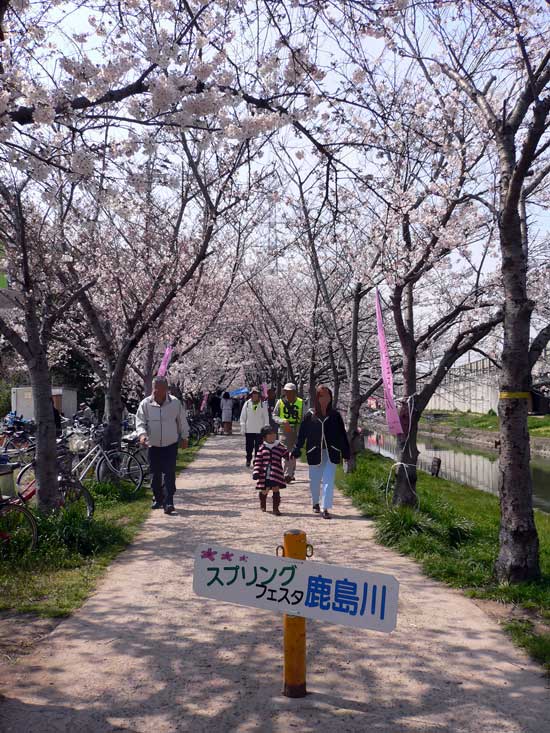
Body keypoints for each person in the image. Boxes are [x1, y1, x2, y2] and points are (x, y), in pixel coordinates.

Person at [292, 385, 350, 519]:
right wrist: (297, 450)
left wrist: (346, 453)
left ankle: (325, 507)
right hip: (314, 452)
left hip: (332, 452)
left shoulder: (335, 416)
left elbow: (342, 435)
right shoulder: (310, 415)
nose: (324, 399)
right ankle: (315, 503)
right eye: (321, 396)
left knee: (329, 480)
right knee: (315, 480)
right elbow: (302, 435)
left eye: (327, 396)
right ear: (317, 398)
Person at [136, 376, 189, 515]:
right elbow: (140, 422)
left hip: (170, 443)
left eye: (159, 389)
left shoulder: (175, 403)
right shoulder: (145, 403)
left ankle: (169, 501)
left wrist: (184, 437)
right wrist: (142, 435)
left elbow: (182, 420)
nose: (156, 392)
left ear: (166, 390)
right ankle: (158, 498)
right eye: (154, 389)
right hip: (152, 444)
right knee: (154, 474)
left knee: (169, 473)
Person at [252, 425, 289, 516]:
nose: (273, 436)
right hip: (264, 475)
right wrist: (256, 471)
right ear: (264, 437)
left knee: (276, 489)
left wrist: (293, 454)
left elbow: (286, 455)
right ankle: (263, 502)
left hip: (276, 473)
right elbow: (257, 461)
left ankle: (276, 508)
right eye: (270, 434)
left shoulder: (279, 446)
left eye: (274, 434)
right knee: (265, 490)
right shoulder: (262, 448)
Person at [272, 383, 304, 482]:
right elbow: (274, 415)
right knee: (286, 451)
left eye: (290, 392)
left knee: (294, 451)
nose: (288, 393)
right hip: (283, 430)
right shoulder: (280, 402)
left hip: (297, 429)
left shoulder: (301, 402)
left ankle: (291, 473)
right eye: (286, 391)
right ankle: (286, 474)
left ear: (295, 392)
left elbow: (304, 417)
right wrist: (283, 421)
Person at [239, 387, 269, 467]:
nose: (255, 396)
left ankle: (257, 460)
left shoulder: (263, 404)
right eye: (253, 394)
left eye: (256, 394)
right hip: (249, 429)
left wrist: (266, 428)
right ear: (251, 395)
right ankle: (248, 459)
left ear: (259, 395)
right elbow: (243, 416)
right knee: (249, 446)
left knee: (258, 447)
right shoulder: (247, 403)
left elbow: (266, 417)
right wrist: (243, 426)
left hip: (260, 429)